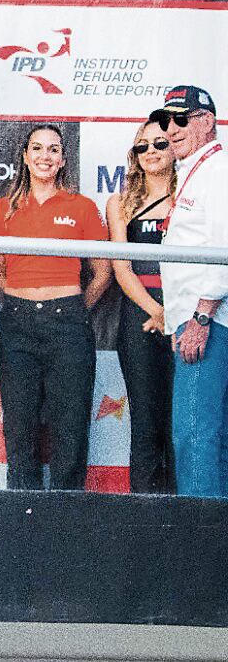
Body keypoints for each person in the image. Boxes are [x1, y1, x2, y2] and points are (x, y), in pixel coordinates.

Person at [0, 125, 111, 490]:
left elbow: (102, 274)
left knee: (70, 429)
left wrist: (70, 306)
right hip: (17, 325)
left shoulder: (82, 207)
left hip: (68, 325)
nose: (45, 156)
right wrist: (27, 299)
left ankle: (65, 522)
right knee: (19, 429)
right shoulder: (3, 208)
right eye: (37, 148)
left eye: (53, 149)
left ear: (63, 159)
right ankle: (22, 522)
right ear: (25, 156)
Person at [154, 85, 228, 497]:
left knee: (196, 437)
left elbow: (223, 248)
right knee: (210, 441)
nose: (171, 128)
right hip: (205, 318)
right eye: (167, 120)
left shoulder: (218, 171)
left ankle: (201, 553)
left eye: (181, 118)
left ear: (207, 121)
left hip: (210, 320)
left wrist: (201, 316)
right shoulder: (198, 170)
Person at [106, 118, 176, 493]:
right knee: (146, 422)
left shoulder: (192, 196)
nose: (151, 151)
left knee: (182, 424)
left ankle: (189, 518)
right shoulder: (120, 202)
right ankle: (146, 523)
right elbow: (121, 266)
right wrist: (155, 309)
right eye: (142, 146)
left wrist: (173, 311)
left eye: (160, 143)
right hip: (140, 315)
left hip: (185, 314)